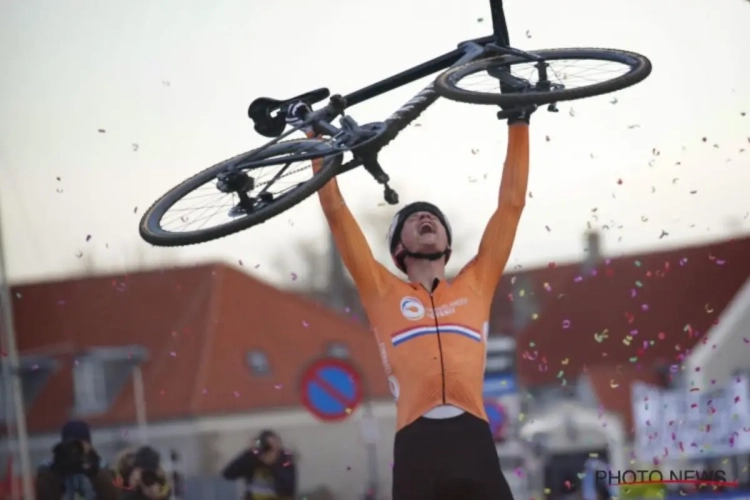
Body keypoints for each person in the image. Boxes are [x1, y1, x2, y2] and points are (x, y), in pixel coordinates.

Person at [289, 93, 533, 498]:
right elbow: (336, 213)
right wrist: (316, 139)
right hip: (417, 443)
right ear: (398, 249)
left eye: (433, 217)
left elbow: (511, 205)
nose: (425, 217)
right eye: (413, 217)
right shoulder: (381, 289)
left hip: (473, 436)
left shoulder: (476, 283)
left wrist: (518, 120)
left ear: (447, 243)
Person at [35, 420, 119, 500]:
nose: (77, 449)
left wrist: (92, 470)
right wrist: (58, 470)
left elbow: (111, 495)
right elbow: (43, 495)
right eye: (73, 445)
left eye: (80, 444)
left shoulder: (101, 466)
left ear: (89, 445)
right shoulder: (51, 468)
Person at [222, 430, 296, 500]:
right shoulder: (253, 460)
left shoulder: (286, 462)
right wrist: (248, 453)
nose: (270, 449)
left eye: (273, 444)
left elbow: (289, 489)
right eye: (267, 445)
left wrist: (272, 465)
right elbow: (228, 474)